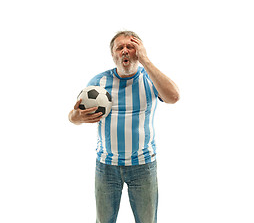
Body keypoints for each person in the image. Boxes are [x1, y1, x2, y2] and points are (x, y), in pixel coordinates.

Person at [68, 31, 180, 223]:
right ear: (113, 55)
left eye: (131, 47)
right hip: (106, 166)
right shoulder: (98, 83)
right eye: (120, 48)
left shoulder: (150, 79)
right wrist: (76, 117)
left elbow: (174, 97)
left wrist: (145, 60)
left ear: (140, 51)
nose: (125, 51)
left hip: (143, 165)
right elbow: (73, 117)